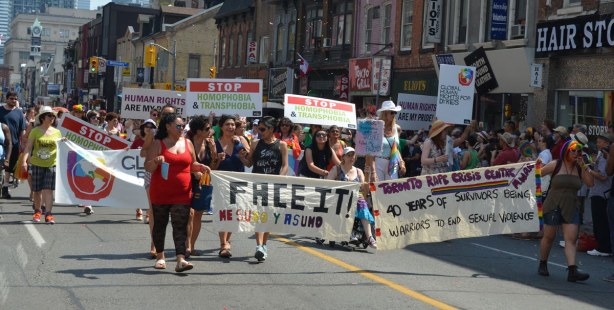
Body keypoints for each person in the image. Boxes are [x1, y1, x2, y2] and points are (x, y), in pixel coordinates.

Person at [145, 113, 210, 272]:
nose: (182, 129)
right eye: (179, 126)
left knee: (180, 225)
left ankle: (180, 259)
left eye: (183, 126)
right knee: (160, 225)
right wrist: (155, 161)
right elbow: (148, 167)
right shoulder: (158, 143)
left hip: (182, 193)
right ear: (168, 126)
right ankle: (160, 256)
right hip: (161, 192)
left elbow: (192, 164)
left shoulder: (187, 143)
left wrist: (200, 167)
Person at [538, 140, 593, 282]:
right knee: (549, 237)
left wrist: (583, 166)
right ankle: (543, 263)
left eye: (579, 151)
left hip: (571, 206)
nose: (576, 153)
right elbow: (537, 175)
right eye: (573, 150)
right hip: (553, 205)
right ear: (566, 151)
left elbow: (590, 183)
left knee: (571, 239)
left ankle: (572, 270)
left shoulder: (580, 168)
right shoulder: (556, 164)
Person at [242, 116, 288, 261]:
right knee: (258, 214)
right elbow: (249, 163)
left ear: (271, 129)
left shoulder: (281, 145)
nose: (260, 131)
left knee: (268, 216)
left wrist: (279, 178)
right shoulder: (255, 143)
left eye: (262, 129)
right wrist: (241, 156)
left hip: (273, 185)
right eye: (259, 128)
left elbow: (285, 165)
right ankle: (258, 246)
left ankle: (264, 244)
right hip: (257, 184)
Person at [215, 114, 251, 258]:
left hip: (238, 182)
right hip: (221, 183)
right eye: (227, 125)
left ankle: (227, 239)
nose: (230, 127)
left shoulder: (241, 140)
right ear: (221, 127)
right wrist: (217, 159)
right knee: (223, 212)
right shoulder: (214, 142)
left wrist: (240, 145)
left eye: (232, 125)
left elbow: (249, 160)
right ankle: (223, 244)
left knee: (234, 213)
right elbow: (212, 166)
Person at [327, 147, 377, 248]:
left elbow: (364, 189)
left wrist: (367, 175)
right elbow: (327, 184)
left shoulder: (358, 171)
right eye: (348, 155)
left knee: (362, 202)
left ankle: (370, 237)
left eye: (353, 155)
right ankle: (349, 232)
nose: (351, 157)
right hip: (339, 198)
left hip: (356, 198)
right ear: (343, 157)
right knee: (349, 203)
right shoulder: (336, 169)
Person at [21, 106, 62, 224]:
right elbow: (28, 148)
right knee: (37, 190)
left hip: (51, 164)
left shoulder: (57, 132)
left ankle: (49, 214)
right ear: (43, 117)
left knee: (48, 190)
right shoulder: (35, 131)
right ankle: (38, 211)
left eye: (53, 116)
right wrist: (24, 161)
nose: (52, 118)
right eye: (50, 116)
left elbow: (61, 148)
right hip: (36, 164)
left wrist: (64, 142)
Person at [186, 116, 219, 257]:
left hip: (203, 182)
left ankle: (192, 246)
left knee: (198, 214)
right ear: (198, 131)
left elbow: (212, 167)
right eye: (206, 129)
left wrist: (213, 152)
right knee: (189, 214)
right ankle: (186, 246)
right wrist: (193, 171)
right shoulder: (187, 143)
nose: (210, 131)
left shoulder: (209, 143)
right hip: (187, 181)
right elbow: (182, 163)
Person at [586, 134, 612, 257]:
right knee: (602, 221)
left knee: (600, 221)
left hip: (601, 193)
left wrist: (590, 170)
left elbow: (603, 176)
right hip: (601, 191)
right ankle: (604, 246)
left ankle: (603, 248)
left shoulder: (606, 156)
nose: (597, 144)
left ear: (607, 143)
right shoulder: (602, 155)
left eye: (599, 142)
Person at [368, 100, 405, 181]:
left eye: (395, 112)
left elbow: (395, 148)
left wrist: (401, 162)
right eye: (392, 112)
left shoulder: (397, 128)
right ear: (385, 113)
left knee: (391, 191)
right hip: (378, 161)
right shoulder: (376, 127)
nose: (394, 115)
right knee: (377, 190)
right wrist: (373, 171)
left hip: (393, 162)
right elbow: (371, 152)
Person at [0, 92, 27, 198]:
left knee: (9, 167)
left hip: (14, 144)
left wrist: (23, 143)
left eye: (15, 99)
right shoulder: (0, 110)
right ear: (6, 99)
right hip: (1, 144)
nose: (13, 100)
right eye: (11, 98)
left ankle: (5, 189)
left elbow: (22, 129)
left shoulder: (19, 113)